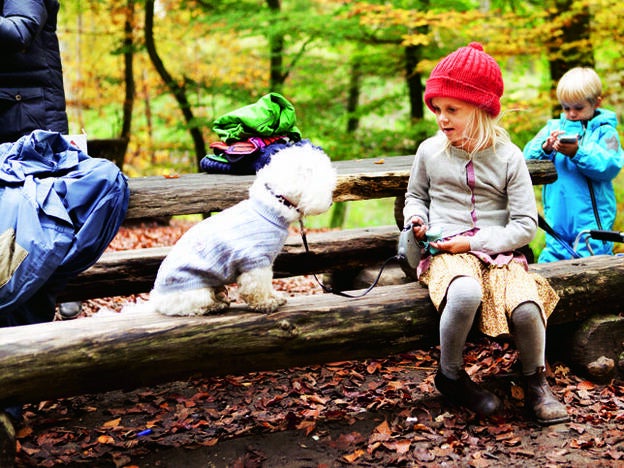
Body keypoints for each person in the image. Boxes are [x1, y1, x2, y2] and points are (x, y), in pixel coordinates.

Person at [403, 42, 569, 425]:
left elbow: (526, 225)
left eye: (452, 110)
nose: (442, 119)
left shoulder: (509, 157)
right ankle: (450, 374)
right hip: (447, 251)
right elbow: (415, 196)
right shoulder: (430, 152)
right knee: (465, 292)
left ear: (481, 110)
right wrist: (416, 219)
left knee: (527, 307)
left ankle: (535, 382)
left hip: (501, 253)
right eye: (438, 109)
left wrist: (476, 242)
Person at [0, 0, 83, 321]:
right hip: (12, 109)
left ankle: (55, 294)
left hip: (28, 115)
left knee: (40, 213)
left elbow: (19, 31)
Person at [523, 67, 624, 262]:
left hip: (592, 231)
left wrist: (578, 153)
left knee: (592, 272)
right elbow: (526, 157)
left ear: (596, 103)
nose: (571, 114)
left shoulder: (605, 132)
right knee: (548, 273)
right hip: (556, 228)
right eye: (565, 108)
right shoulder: (552, 128)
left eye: (578, 108)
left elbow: (609, 165)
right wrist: (545, 148)